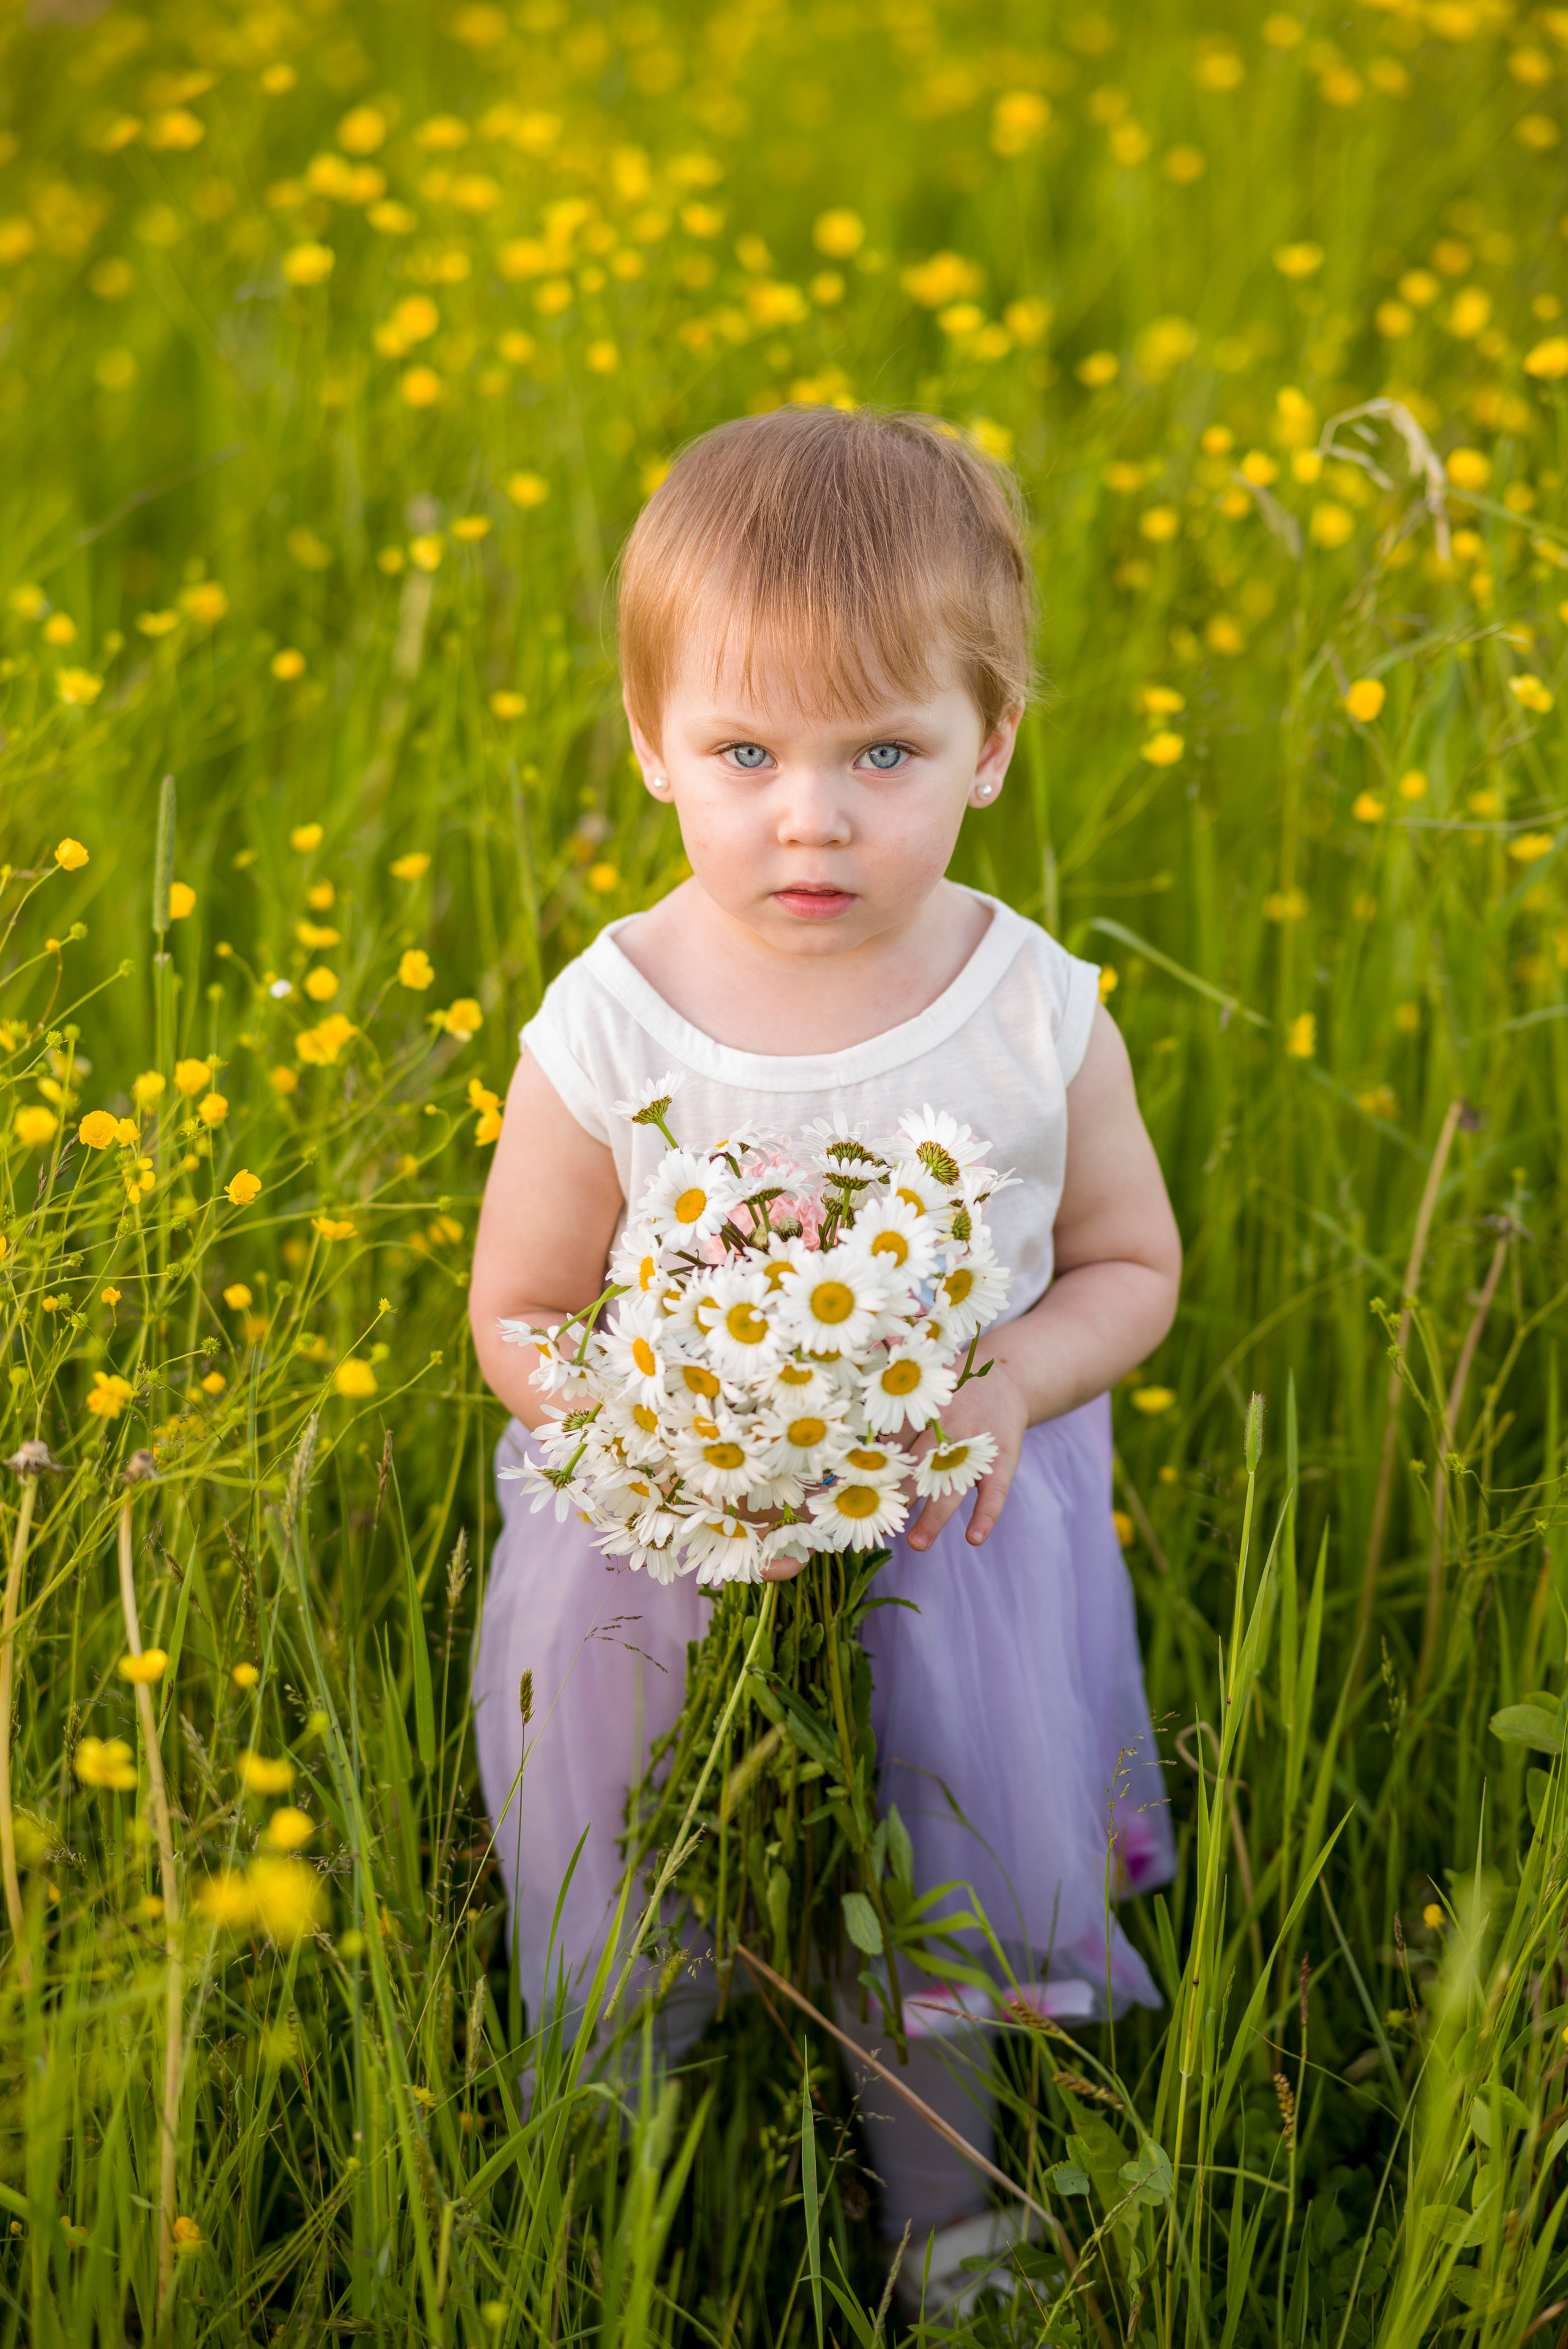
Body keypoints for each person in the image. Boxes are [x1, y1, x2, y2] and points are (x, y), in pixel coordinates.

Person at [468, 404, 1181, 2297]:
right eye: (746, 751)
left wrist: (1014, 1380)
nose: (814, 812)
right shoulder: (614, 1019)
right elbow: (520, 1308)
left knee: (933, 1878)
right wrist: (667, 1436)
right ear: (651, 748)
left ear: (993, 744)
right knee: (632, 1840)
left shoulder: (1035, 1015)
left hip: (958, 1531)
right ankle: (617, 2159)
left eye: (886, 748)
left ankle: (942, 2210)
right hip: (659, 1528)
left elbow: (1129, 1263)